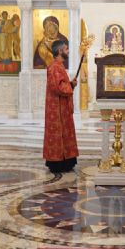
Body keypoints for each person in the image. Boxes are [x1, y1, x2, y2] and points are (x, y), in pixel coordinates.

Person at [43, 40, 78, 173]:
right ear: (59, 51)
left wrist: (70, 84)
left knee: (64, 134)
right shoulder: (54, 67)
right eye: (66, 49)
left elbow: (62, 84)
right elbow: (58, 87)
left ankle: (66, 162)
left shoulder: (59, 66)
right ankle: (58, 164)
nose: (68, 51)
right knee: (58, 135)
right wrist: (70, 85)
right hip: (57, 109)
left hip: (62, 108)